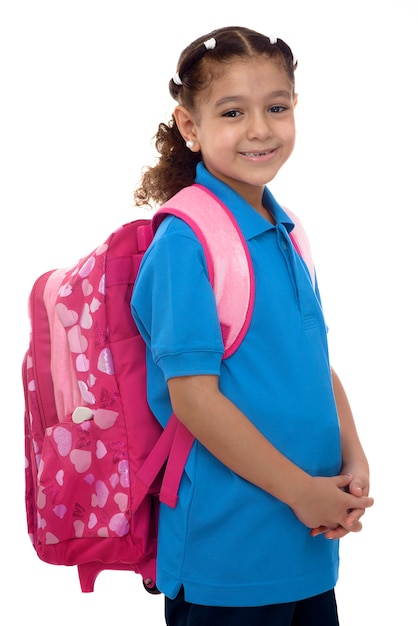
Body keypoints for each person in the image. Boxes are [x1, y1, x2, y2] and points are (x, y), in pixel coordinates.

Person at [131, 26, 373, 626]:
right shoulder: (186, 241)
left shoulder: (287, 231)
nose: (260, 129)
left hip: (308, 546)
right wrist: (299, 491)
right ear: (190, 126)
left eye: (277, 108)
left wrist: (353, 456)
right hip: (228, 561)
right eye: (232, 112)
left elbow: (313, 360)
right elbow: (193, 399)